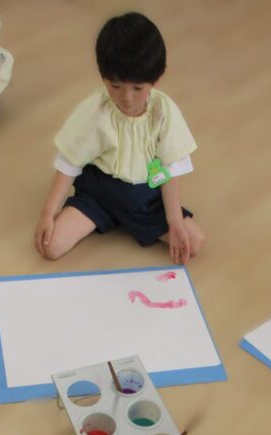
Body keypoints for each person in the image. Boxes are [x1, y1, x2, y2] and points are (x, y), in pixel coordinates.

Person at [34, 12, 204, 264]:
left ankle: (130, 220)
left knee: (195, 241)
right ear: (103, 77)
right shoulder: (95, 111)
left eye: (138, 88)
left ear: (155, 79)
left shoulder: (163, 112)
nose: (127, 98)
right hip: (99, 194)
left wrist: (175, 222)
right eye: (115, 86)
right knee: (52, 246)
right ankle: (109, 218)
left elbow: (168, 170)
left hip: (145, 199)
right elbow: (70, 160)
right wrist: (48, 213)